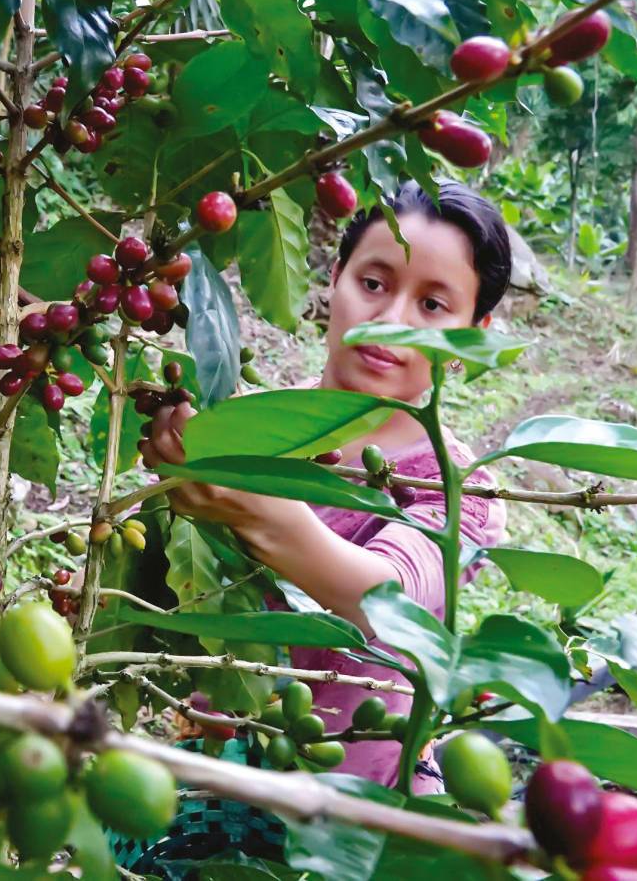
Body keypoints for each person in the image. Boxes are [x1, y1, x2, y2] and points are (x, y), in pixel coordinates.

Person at [137, 179, 512, 793]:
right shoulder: (247, 430)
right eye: (374, 283)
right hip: (211, 793)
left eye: (433, 306)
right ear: (334, 278)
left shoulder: (461, 489)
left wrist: (257, 510)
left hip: (362, 812)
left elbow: (386, 596)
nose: (391, 321)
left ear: (473, 333)